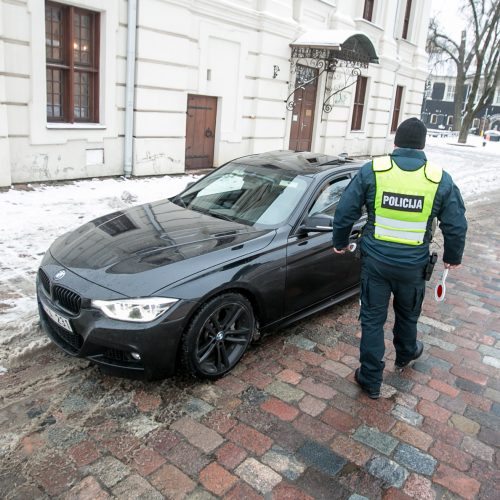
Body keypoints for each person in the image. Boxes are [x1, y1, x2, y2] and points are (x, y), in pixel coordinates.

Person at [332, 117, 467, 399]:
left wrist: (340, 242)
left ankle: (370, 379)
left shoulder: (374, 171)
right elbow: (455, 224)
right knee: (408, 313)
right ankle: (405, 354)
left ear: (396, 143)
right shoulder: (438, 178)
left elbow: (345, 210)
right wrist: (452, 257)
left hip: (376, 265)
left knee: (371, 319)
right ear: (422, 145)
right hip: (413, 267)